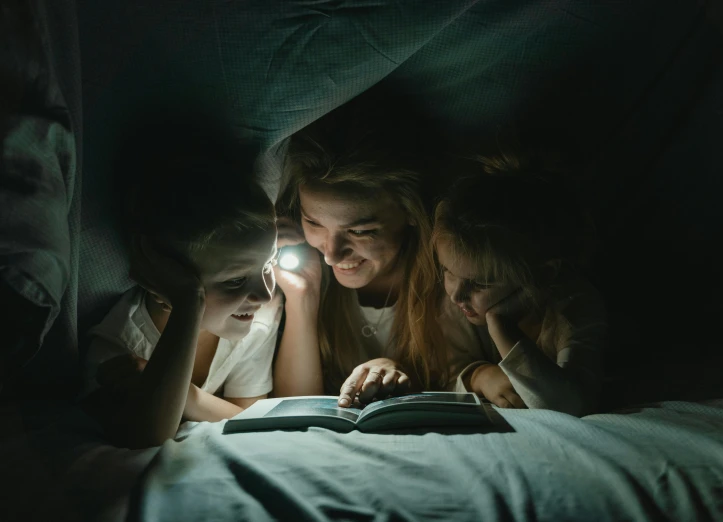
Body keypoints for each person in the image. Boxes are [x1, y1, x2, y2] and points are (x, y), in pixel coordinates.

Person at [81, 115, 281, 448]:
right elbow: (147, 433)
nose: (264, 294)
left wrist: (189, 397)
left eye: (268, 264)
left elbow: (253, 420)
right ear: (164, 281)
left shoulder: (256, 320)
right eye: (234, 281)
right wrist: (189, 303)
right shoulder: (121, 342)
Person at [272, 111, 457, 407]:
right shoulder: (301, 276)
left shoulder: (451, 278)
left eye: (360, 231)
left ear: (410, 212)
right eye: (315, 224)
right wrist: (302, 300)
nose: (331, 254)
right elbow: (293, 406)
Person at [432, 146, 606, 416]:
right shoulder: (457, 303)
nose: (456, 294)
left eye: (482, 283)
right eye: (448, 271)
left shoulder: (573, 306)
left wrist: (502, 328)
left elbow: (570, 406)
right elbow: (441, 376)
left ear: (543, 275)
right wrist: (477, 376)